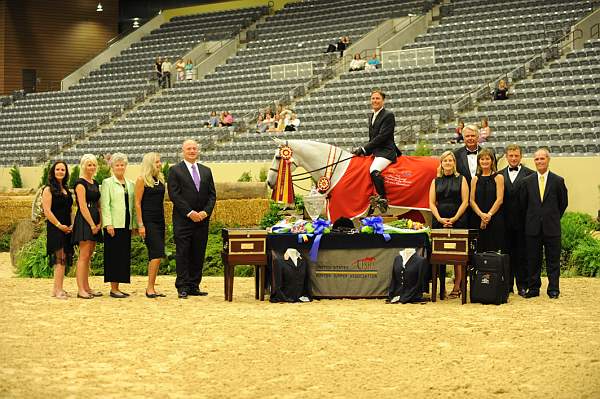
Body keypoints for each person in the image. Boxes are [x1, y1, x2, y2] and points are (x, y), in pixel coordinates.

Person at [167, 139, 217, 299]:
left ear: (198, 151)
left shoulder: (206, 171)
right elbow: (174, 194)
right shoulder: (175, 170)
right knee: (183, 253)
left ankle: (194, 285)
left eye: (194, 148)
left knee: (198, 253)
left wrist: (205, 212)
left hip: (202, 221)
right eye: (189, 148)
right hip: (183, 220)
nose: (192, 151)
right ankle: (182, 286)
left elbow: (212, 195)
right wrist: (190, 213)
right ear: (183, 151)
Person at [521, 148, 568, 299]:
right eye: (537, 159)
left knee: (553, 260)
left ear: (548, 160)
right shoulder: (526, 182)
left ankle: (553, 288)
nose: (540, 161)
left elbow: (563, 203)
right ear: (534, 161)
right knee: (533, 260)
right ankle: (533, 288)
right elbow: (523, 205)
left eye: (542, 159)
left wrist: (552, 217)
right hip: (532, 228)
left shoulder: (558, 181)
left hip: (552, 228)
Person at [352, 89, 400, 213]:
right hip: (376, 151)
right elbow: (372, 138)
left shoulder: (388, 115)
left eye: (378, 98)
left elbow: (382, 137)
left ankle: (383, 199)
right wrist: (364, 152)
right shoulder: (372, 115)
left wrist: (364, 148)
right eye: (373, 98)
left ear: (383, 101)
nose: (375, 101)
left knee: (374, 170)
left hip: (386, 151)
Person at [429, 151, 469, 298]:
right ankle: (441, 289)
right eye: (445, 160)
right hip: (439, 220)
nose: (447, 163)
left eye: (450, 160)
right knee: (440, 255)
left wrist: (455, 218)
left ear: (454, 163)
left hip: (458, 220)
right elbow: (432, 203)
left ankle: (458, 285)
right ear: (441, 163)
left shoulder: (462, 179)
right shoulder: (435, 181)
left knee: (457, 255)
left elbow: (465, 201)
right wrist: (439, 219)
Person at [499, 144, 534, 296]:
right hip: (504, 223)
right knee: (506, 255)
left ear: (521, 156)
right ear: (506, 156)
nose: (513, 158)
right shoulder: (498, 175)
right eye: (511, 156)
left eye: (516, 156)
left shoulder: (530, 175)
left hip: (523, 222)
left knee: (522, 254)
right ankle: (507, 285)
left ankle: (522, 285)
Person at [100, 153, 137, 298]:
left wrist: (133, 225)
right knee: (113, 256)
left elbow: (132, 207)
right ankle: (113, 289)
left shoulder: (130, 184)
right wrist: (108, 224)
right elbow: (105, 205)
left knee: (123, 256)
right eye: (117, 165)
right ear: (112, 167)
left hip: (126, 225)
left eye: (122, 165)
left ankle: (118, 287)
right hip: (113, 226)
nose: (120, 167)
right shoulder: (107, 183)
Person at [135, 152, 167, 298]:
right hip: (148, 221)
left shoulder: (160, 179)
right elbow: (137, 203)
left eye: (160, 162)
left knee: (158, 254)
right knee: (156, 252)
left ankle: (152, 287)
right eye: (157, 162)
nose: (160, 164)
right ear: (150, 164)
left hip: (160, 220)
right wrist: (140, 224)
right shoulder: (142, 180)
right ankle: (149, 288)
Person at [71, 154, 103, 299]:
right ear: (83, 165)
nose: (91, 167)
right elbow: (82, 206)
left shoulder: (95, 182)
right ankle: (80, 289)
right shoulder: (80, 183)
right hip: (85, 221)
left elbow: (98, 204)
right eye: (89, 164)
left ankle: (87, 287)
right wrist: (91, 224)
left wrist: (100, 222)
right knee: (83, 256)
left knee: (89, 255)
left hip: (95, 219)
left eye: (93, 164)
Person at [41, 161, 74, 300]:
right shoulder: (48, 189)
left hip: (67, 228)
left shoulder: (66, 189)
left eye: (63, 169)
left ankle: (57, 289)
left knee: (64, 258)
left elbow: (71, 210)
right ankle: (58, 290)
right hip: (56, 228)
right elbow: (47, 211)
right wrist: (60, 225)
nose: (60, 171)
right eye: (58, 169)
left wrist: (72, 225)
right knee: (59, 258)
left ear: (66, 172)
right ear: (53, 172)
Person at [470, 148, 505, 252]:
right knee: (480, 250)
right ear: (478, 162)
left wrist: (488, 215)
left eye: (487, 159)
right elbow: (471, 201)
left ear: (492, 160)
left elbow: (499, 199)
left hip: (495, 219)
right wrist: (481, 215)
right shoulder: (475, 179)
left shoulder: (499, 177)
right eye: (482, 159)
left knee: (494, 249)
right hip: (478, 219)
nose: (484, 161)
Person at [453, 124, 486, 228]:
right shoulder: (456, 154)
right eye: (467, 136)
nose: (470, 138)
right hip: (462, 202)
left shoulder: (487, 154)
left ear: (478, 136)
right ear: (463, 137)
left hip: (483, 200)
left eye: (473, 135)